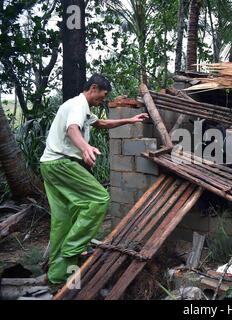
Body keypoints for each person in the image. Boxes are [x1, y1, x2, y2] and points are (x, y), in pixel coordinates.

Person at [40, 74, 148, 284]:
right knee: (99, 199)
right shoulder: (78, 105)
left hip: (48, 165)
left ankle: (57, 276)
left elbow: (101, 123)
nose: (103, 100)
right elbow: (72, 129)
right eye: (102, 95)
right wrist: (85, 147)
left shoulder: (82, 108)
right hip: (62, 163)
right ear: (94, 88)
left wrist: (130, 119)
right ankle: (72, 251)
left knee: (63, 220)